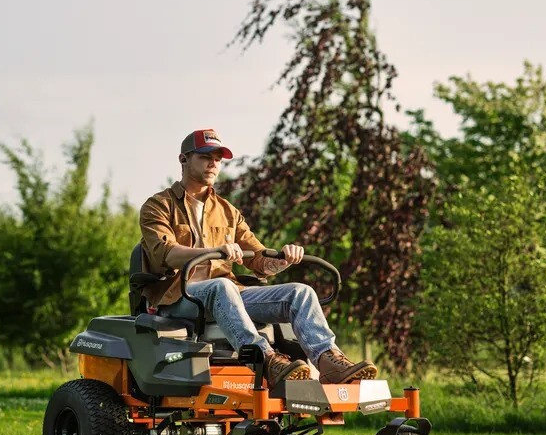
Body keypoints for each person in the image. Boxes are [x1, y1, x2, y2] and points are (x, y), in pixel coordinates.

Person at [137, 128, 379, 388]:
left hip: (228, 295)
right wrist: (212, 252)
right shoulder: (158, 206)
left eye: (218, 158)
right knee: (222, 286)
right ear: (183, 160)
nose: (213, 163)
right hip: (180, 297)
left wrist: (282, 259)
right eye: (205, 156)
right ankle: (266, 359)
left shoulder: (228, 211)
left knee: (301, 292)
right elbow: (167, 254)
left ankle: (327, 360)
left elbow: (258, 258)